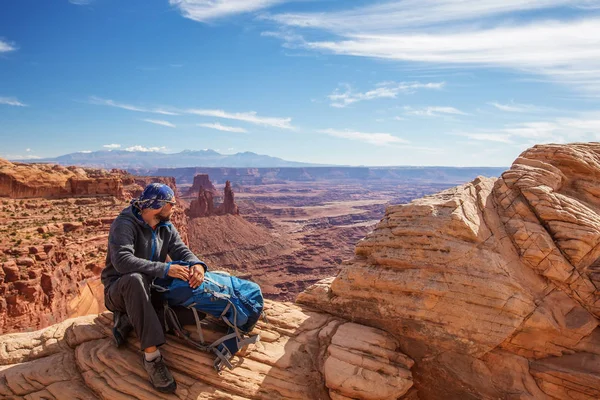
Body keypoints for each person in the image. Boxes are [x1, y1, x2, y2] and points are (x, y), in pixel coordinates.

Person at [101, 183, 206, 394]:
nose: (175, 208)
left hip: (151, 287)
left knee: (198, 308)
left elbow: (181, 251)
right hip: (120, 290)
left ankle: (131, 318)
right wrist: (165, 269)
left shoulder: (165, 226)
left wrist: (197, 265)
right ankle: (152, 358)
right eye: (172, 204)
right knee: (135, 280)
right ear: (159, 205)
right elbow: (122, 262)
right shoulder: (124, 224)